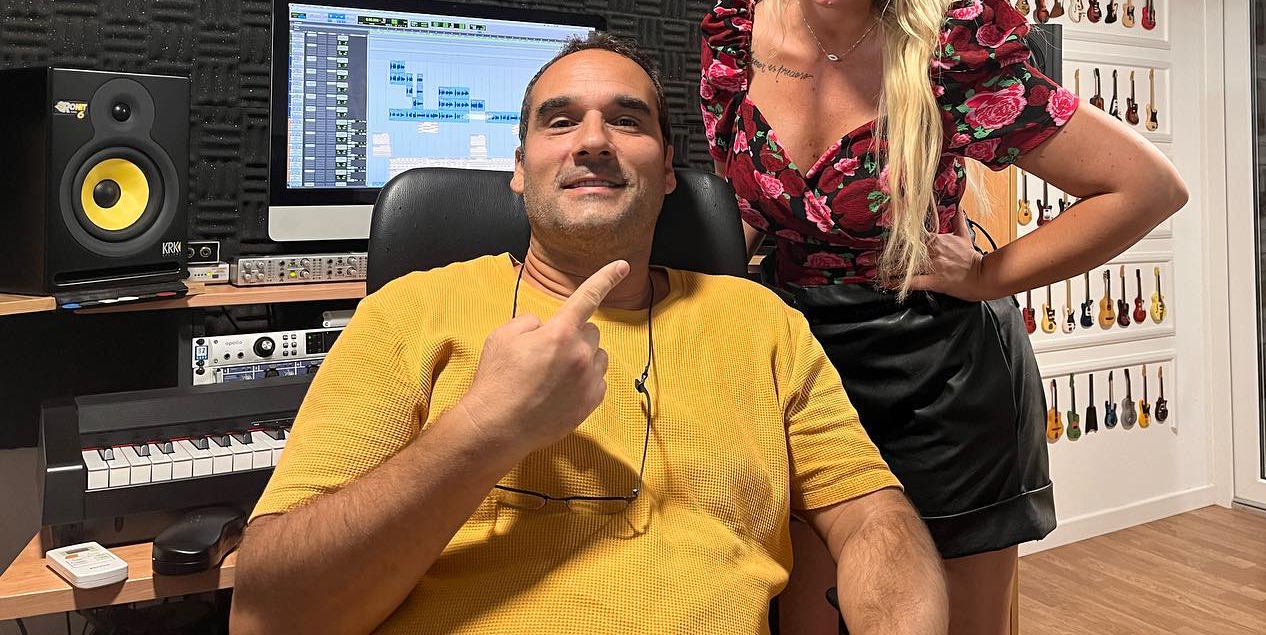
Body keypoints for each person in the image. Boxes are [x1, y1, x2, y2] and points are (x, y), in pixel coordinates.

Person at [230, 32, 947, 635]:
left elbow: (873, 518)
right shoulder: (409, 312)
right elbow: (269, 615)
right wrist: (485, 426)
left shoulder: (762, 323)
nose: (595, 140)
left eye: (628, 121)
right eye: (560, 121)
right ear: (519, 168)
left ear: (668, 171)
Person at [699, 0, 1188, 635]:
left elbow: (1146, 188)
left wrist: (990, 275)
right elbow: (742, 207)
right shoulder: (735, 32)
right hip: (800, 368)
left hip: (942, 379)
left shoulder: (949, 55)